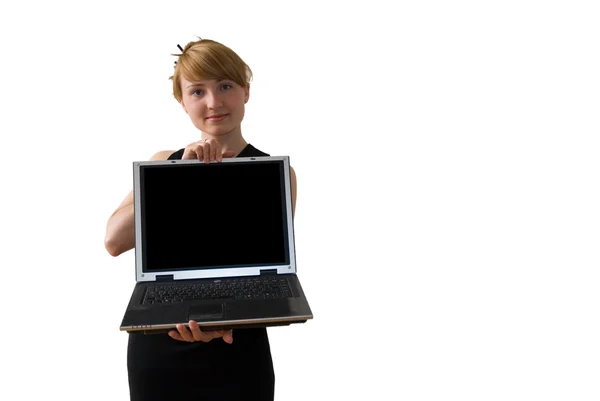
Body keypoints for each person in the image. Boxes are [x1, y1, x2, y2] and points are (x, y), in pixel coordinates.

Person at [104, 38, 297, 401]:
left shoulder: (276, 175)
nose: (213, 102)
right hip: (163, 340)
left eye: (225, 86)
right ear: (182, 102)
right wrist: (178, 173)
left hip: (239, 341)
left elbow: (266, 267)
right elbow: (114, 241)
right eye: (197, 91)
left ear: (246, 92)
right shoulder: (163, 163)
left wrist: (219, 323)